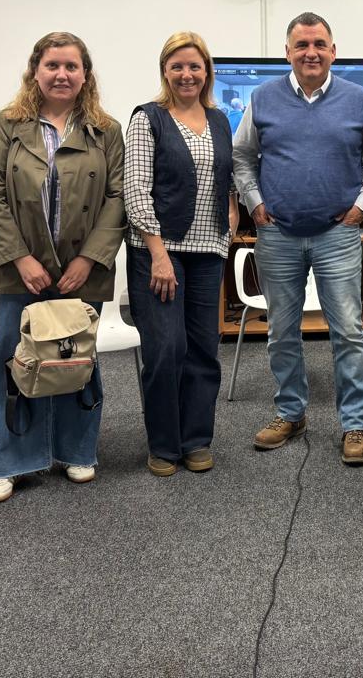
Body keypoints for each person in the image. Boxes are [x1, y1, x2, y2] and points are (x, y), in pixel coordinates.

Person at [233, 11, 363, 466]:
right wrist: (254, 204)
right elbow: (242, 156)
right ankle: (290, 413)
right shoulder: (262, 98)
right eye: (301, 45)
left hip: (337, 236)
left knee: (348, 333)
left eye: (319, 44)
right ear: (288, 52)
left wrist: (362, 208)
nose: (311, 52)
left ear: (333, 51)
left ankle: (354, 424)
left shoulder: (359, 99)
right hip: (277, 234)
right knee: (281, 332)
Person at [0, 32, 125, 503]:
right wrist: (20, 258)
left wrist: (89, 259)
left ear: (85, 75)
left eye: (71, 66)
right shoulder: (10, 124)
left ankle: (77, 451)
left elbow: (118, 197)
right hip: (20, 270)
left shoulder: (105, 129)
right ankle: (10, 461)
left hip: (82, 271)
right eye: (52, 65)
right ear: (35, 71)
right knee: (15, 361)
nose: (62, 74)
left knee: (75, 358)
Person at [125, 31, 239, 477]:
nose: (187, 74)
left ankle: (196, 440)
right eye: (177, 66)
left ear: (207, 72)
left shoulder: (220, 120)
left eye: (195, 66)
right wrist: (157, 253)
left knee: (204, 349)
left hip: (208, 251)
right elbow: (135, 190)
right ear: (165, 72)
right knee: (166, 348)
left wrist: (231, 213)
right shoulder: (148, 118)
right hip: (160, 250)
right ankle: (163, 444)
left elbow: (227, 176)